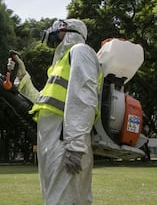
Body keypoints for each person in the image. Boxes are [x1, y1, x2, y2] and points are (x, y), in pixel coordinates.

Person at [8, 19, 100, 205]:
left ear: (70, 31)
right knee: (57, 198)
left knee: (62, 199)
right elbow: (45, 101)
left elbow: (83, 99)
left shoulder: (80, 51)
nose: (53, 32)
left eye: (59, 28)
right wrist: (23, 77)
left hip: (65, 140)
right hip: (54, 139)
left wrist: (76, 146)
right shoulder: (60, 64)